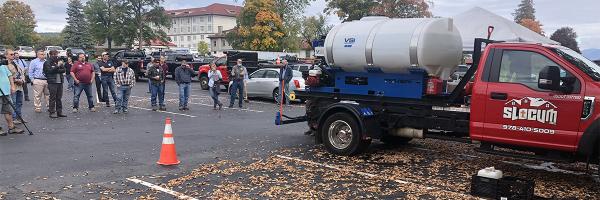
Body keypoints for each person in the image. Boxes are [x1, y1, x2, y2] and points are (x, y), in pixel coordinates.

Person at [0, 56, 24, 136]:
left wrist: (13, 86)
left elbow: (10, 75)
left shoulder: (3, 66)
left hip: (6, 92)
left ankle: (12, 127)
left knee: (8, 111)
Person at [44, 50, 67, 118]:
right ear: (50, 55)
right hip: (52, 82)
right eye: (54, 54)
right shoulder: (47, 62)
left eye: (56, 54)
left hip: (60, 82)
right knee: (52, 98)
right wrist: (57, 67)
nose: (56, 56)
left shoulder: (58, 61)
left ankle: (59, 112)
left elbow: (64, 70)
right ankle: (52, 112)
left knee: (59, 98)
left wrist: (56, 68)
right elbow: (49, 71)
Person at [5, 50, 26, 124]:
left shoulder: (15, 63)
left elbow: (21, 72)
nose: (13, 55)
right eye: (11, 54)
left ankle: (19, 117)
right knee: (13, 103)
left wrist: (22, 80)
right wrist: (16, 80)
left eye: (13, 54)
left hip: (19, 86)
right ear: (6, 55)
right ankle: (13, 119)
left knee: (19, 103)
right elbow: (6, 76)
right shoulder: (5, 65)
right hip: (12, 86)